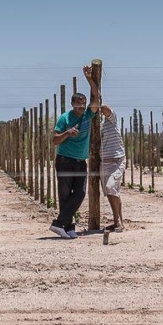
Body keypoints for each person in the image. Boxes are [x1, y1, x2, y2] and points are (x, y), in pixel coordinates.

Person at [49, 65, 99, 239]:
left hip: (79, 161)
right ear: (72, 104)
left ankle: (58, 223)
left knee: (79, 193)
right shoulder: (65, 118)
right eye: (78, 104)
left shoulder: (87, 115)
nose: (81, 107)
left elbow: (96, 98)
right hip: (64, 160)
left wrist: (89, 79)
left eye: (83, 104)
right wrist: (67, 133)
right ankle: (69, 227)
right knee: (65, 195)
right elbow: (55, 140)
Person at [99, 103, 126, 232]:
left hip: (117, 160)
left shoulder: (111, 119)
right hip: (104, 162)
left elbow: (105, 108)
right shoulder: (96, 126)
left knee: (111, 187)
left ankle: (118, 222)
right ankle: (118, 222)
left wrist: (96, 107)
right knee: (111, 192)